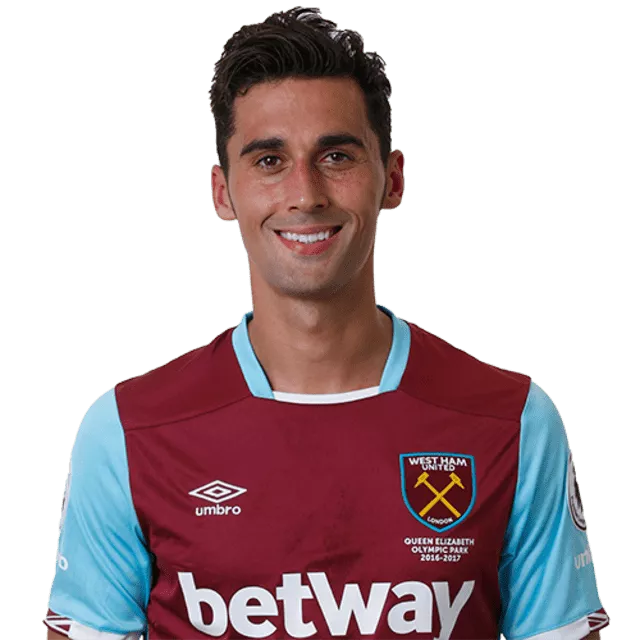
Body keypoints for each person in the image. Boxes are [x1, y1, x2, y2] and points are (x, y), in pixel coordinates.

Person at [43, 6, 610, 639]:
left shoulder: (513, 422)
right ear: (223, 192)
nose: (306, 193)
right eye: (268, 161)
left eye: (336, 156)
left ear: (392, 180)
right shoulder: (129, 432)